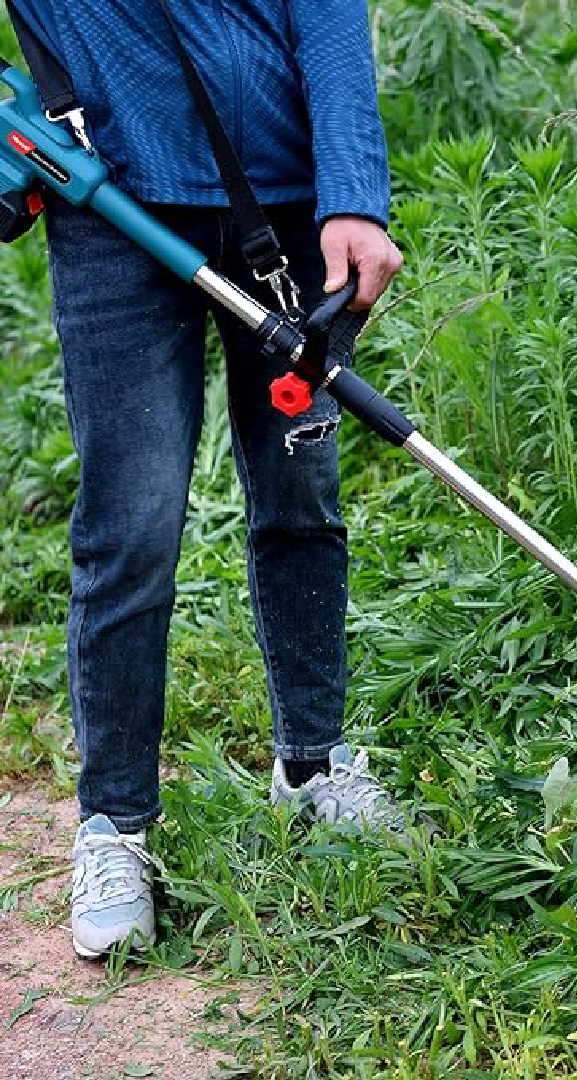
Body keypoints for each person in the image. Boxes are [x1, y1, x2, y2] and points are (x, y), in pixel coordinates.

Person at [8, 0, 406, 959]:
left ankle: (311, 766)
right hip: (115, 207)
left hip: (288, 206)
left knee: (301, 496)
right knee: (131, 525)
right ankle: (114, 827)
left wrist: (353, 191)